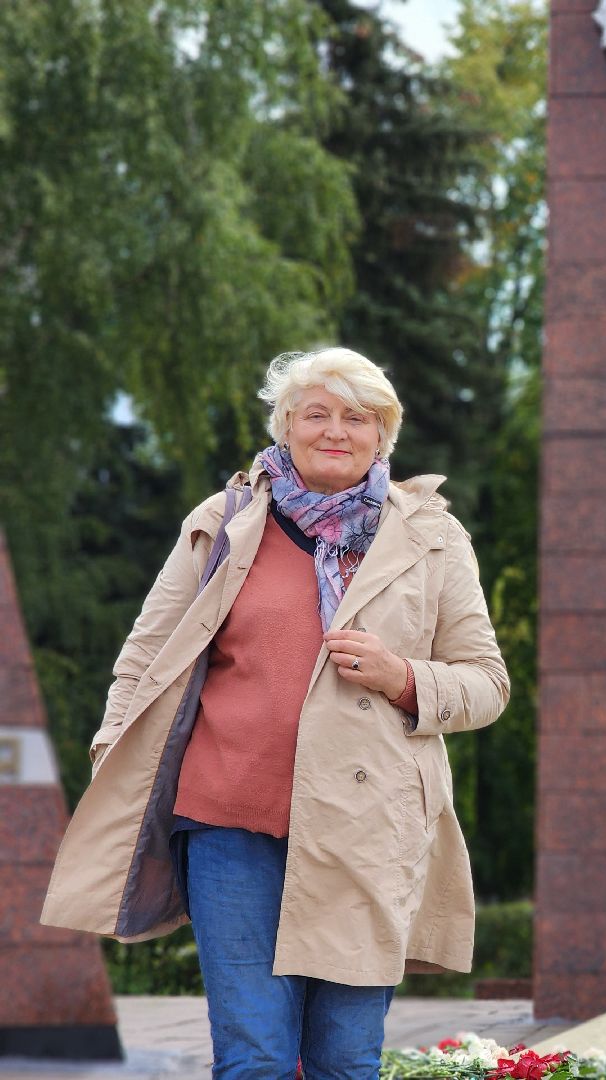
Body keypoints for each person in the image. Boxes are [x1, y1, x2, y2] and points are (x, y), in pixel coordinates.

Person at [42, 347, 510, 1078]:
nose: (335, 430)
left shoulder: (433, 538)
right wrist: (115, 754)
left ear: (383, 434)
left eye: (356, 417)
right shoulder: (224, 522)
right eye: (314, 413)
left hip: (370, 830)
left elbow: (487, 682)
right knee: (254, 1054)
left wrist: (405, 677)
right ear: (284, 426)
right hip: (230, 819)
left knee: (346, 1059)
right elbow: (145, 656)